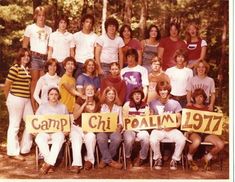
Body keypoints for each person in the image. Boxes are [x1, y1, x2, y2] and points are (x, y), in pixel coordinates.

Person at [4, 48, 34, 160]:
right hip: (15, 98)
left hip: (26, 99)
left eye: (28, 56)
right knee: (15, 124)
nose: (26, 57)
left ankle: (24, 148)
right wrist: (8, 100)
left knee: (31, 122)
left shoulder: (27, 69)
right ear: (19, 57)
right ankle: (13, 151)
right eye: (24, 55)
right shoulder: (14, 68)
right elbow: (7, 86)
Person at [149, 81, 186, 170]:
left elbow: (179, 121)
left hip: (171, 129)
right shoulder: (153, 103)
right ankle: (158, 158)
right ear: (158, 91)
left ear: (168, 91)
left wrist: (172, 127)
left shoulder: (175, 103)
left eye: (165, 90)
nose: (163, 92)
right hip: (159, 129)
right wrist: (155, 126)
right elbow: (150, 119)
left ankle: (175, 159)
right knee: (153, 139)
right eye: (161, 90)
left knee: (182, 139)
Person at [185, 88, 224, 171]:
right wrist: (187, 130)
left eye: (201, 96)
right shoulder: (190, 108)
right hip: (194, 132)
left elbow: (212, 124)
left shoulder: (208, 109)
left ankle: (207, 157)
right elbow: (185, 122)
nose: (199, 98)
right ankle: (189, 157)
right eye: (197, 96)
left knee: (220, 144)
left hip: (206, 133)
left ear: (204, 98)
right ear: (193, 98)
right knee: (196, 142)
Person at [22, 6, 52, 112]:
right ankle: (33, 106)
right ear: (35, 16)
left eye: (43, 15)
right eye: (39, 15)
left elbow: (50, 46)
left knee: (43, 82)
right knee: (34, 82)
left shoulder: (49, 29)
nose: (41, 17)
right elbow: (25, 45)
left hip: (44, 58)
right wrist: (25, 60)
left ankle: (42, 106)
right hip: (34, 57)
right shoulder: (30, 28)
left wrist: (49, 59)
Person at [35, 87, 68, 174]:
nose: (53, 96)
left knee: (60, 138)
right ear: (48, 96)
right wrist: (34, 130)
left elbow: (67, 122)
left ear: (58, 96)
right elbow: (35, 120)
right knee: (39, 138)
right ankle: (50, 163)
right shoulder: (42, 107)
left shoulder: (63, 107)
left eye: (56, 94)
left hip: (57, 132)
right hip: (44, 131)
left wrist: (66, 130)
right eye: (51, 94)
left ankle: (47, 164)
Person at [70, 84, 100, 173]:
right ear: (84, 91)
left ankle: (89, 160)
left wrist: (90, 128)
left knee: (91, 137)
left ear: (94, 92)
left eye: (92, 89)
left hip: (89, 128)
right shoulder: (79, 100)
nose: (90, 91)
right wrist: (84, 104)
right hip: (77, 127)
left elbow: (98, 119)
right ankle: (77, 164)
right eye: (88, 89)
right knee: (76, 139)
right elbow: (75, 116)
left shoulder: (97, 102)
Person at [96, 86, 123, 169]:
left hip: (114, 130)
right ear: (106, 95)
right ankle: (110, 161)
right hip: (103, 130)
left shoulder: (119, 108)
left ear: (115, 96)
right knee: (100, 138)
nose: (111, 95)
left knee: (117, 138)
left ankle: (104, 160)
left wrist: (120, 126)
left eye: (113, 94)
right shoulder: (101, 106)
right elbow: (97, 121)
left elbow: (121, 122)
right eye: (109, 94)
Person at [122, 88, 150, 168]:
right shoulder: (127, 105)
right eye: (135, 94)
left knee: (146, 138)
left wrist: (142, 117)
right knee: (129, 139)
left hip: (141, 129)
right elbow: (124, 119)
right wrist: (131, 118)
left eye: (139, 94)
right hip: (130, 128)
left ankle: (142, 157)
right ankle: (127, 157)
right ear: (132, 96)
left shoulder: (146, 106)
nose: (137, 96)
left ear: (141, 96)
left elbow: (147, 119)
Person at [72, 14, 97, 78]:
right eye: (87, 22)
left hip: (90, 65)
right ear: (83, 23)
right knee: (77, 85)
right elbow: (72, 51)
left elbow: (95, 52)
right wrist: (73, 64)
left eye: (91, 22)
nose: (89, 24)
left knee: (89, 86)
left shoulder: (95, 37)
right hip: (78, 63)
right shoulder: (75, 36)